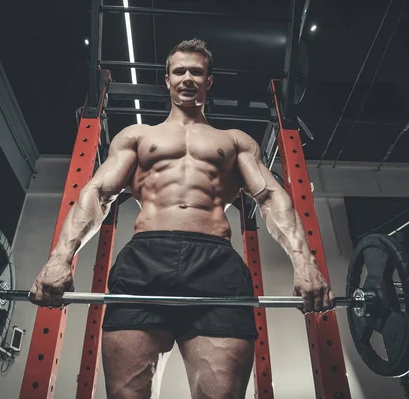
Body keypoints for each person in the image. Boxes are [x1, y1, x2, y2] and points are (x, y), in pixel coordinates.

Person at [30, 38, 335, 399]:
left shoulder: (235, 141)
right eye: (179, 71)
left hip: (214, 263)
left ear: (209, 81)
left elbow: (270, 197)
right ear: (167, 79)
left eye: (196, 71)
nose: (187, 78)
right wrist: (59, 259)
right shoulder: (138, 137)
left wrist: (304, 263)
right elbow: (97, 193)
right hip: (146, 259)